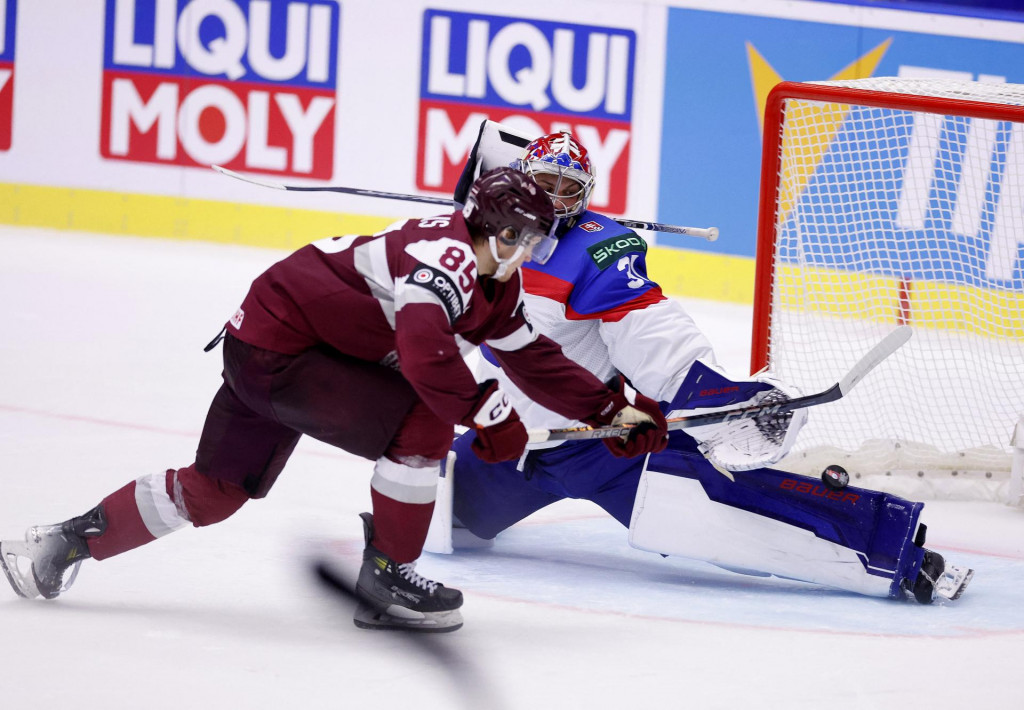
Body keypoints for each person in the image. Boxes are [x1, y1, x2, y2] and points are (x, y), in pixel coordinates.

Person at [0, 167, 670, 632]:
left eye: (533, 241)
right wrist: (484, 410)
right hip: (280, 355)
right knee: (422, 417)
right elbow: (422, 352)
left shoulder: (495, 279)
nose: (526, 252)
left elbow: (533, 357)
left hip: (269, 346)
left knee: (215, 490)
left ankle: (61, 544)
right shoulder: (448, 260)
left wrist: (610, 411)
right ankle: (389, 576)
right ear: (492, 230)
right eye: (518, 238)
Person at [428, 125, 973, 604]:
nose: (554, 198)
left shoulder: (597, 254)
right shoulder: (487, 236)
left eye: (569, 189)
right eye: (544, 183)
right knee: (430, 515)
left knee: (721, 513)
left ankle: (891, 545)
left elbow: (653, 335)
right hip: (512, 444)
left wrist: (713, 394)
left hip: (596, 445)